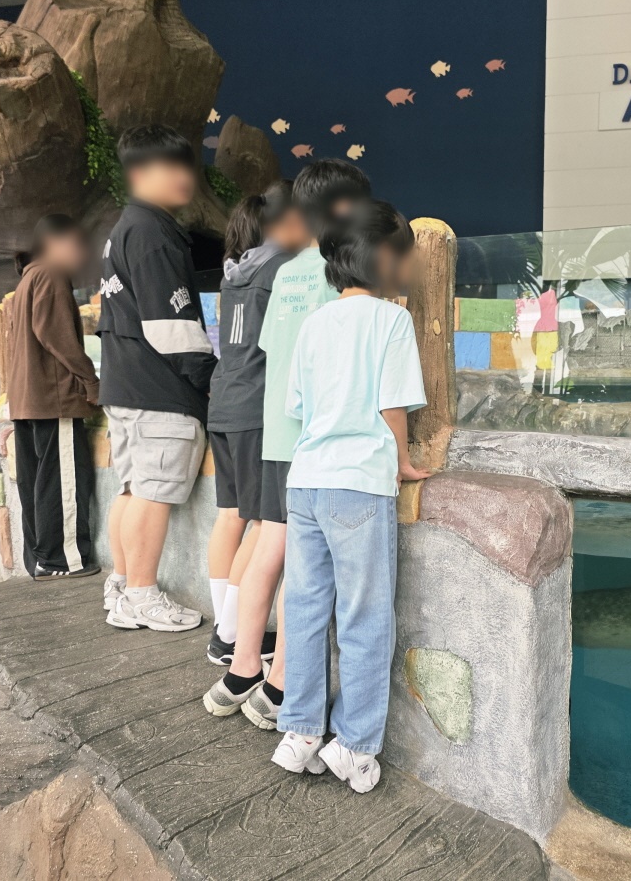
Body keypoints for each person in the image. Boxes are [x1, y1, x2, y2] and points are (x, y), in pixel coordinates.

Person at [202, 159, 371, 727]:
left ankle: (241, 667)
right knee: (302, 563)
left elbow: (274, 350)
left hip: (275, 428)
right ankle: (278, 686)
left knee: (268, 542)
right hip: (311, 438)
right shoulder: (335, 274)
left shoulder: (288, 270)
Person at [270, 200, 431, 793]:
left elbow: (299, 405)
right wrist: (404, 462)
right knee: (365, 618)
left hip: (306, 480)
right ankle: (356, 746)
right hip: (359, 482)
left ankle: (301, 732)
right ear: (383, 257)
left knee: (306, 609)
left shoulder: (314, 323)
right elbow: (392, 405)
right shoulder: (392, 321)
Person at [97, 125, 216, 632]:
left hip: (125, 384)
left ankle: (123, 587)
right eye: (171, 166)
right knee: (153, 492)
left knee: (131, 488)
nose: (184, 176)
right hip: (158, 390)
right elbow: (171, 327)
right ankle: (143, 594)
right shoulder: (152, 233)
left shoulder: (126, 227)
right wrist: (212, 380)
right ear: (140, 173)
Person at [203, 180, 309, 669]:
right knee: (265, 524)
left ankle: (225, 630)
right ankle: (229, 634)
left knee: (232, 516)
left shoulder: (235, 272)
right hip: (255, 408)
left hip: (224, 401)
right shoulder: (283, 269)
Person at [7, 214, 100, 580]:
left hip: (29, 399)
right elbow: (58, 338)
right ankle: (62, 559)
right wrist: (91, 381)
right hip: (53, 397)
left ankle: (41, 559)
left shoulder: (29, 278)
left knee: (37, 483)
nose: (81, 253)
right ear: (56, 243)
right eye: (76, 244)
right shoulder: (50, 275)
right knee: (62, 481)